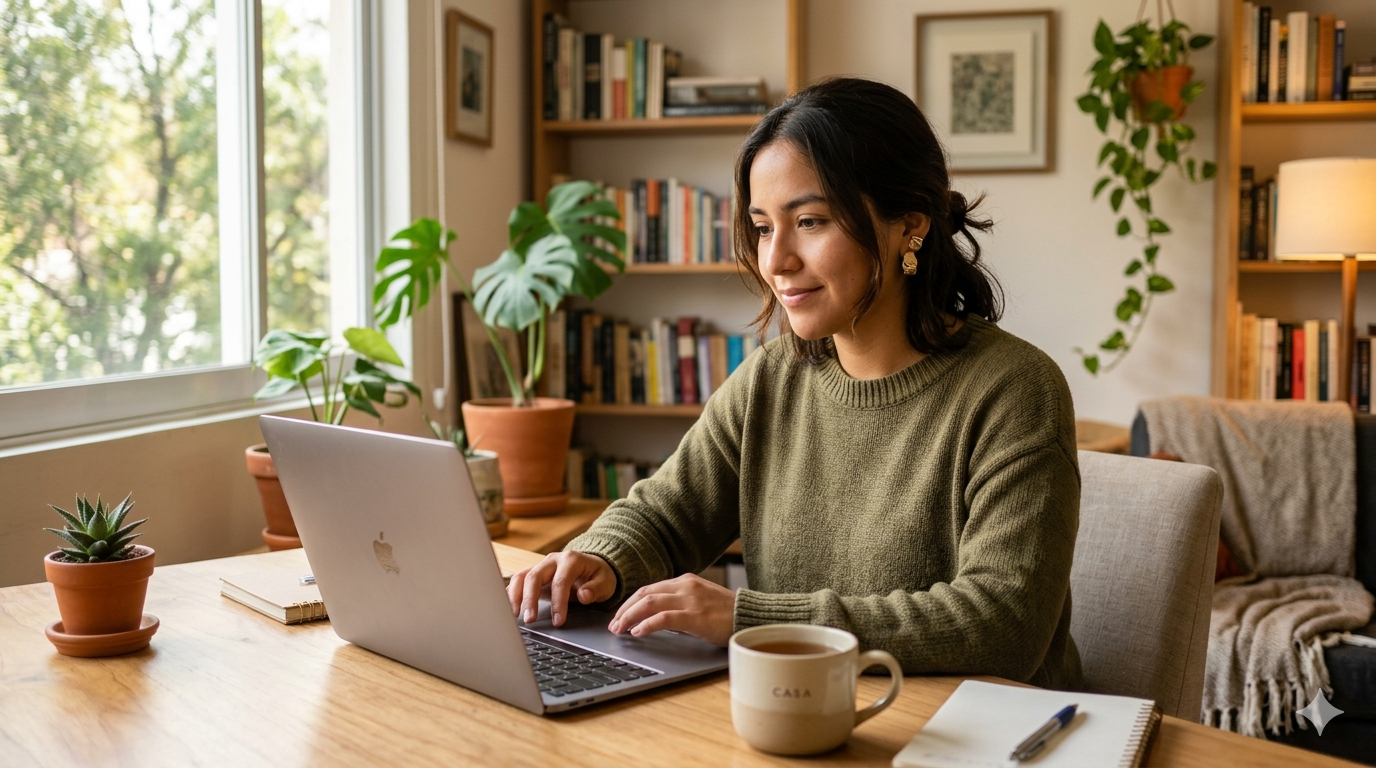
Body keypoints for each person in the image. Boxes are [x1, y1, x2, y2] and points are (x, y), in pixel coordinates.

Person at [508, 77, 1082, 689]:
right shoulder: (771, 378)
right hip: (802, 708)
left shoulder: (1016, 391)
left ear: (910, 225)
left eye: (809, 221)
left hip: (978, 725)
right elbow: (666, 516)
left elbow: (1004, 625)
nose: (775, 260)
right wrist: (599, 558)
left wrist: (754, 621)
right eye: (762, 227)